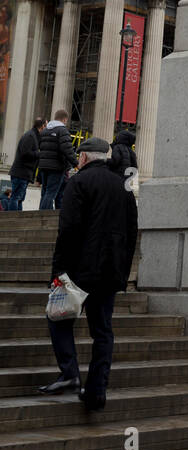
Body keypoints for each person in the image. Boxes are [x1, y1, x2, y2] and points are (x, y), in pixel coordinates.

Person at [37, 136, 138, 410]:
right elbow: (131, 233)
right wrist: (123, 270)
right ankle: (96, 390)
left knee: (58, 318)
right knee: (103, 331)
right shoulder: (123, 186)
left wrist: (58, 272)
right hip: (111, 270)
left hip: (80, 268)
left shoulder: (78, 183)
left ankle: (69, 372)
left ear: (83, 158)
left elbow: (68, 230)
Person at [37, 109, 78, 210]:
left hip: (44, 166)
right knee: (50, 194)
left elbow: (40, 148)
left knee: (45, 192)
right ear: (64, 119)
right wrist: (76, 163)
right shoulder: (62, 130)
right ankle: (43, 218)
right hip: (56, 167)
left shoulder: (45, 131)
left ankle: (40, 215)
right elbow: (67, 149)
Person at [8, 117, 46, 210]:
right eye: (46, 126)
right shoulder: (30, 136)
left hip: (23, 174)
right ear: (42, 127)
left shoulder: (34, 136)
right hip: (20, 174)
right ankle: (13, 221)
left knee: (19, 199)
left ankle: (17, 221)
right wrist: (39, 153)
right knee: (16, 198)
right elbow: (25, 153)